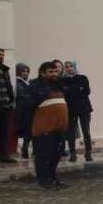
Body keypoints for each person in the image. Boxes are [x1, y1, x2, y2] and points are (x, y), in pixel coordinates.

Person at [23, 61, 70, 190]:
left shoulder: (59, 84)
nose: (54, 74)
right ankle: (43, 181)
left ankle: (53, 178)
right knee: (43, 155)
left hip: (59, 127)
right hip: (43, 127)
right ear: (42, 73)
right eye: (50, 72)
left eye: (55, 71)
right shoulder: (35, 85)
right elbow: (27, 105)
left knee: (56, 154)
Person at [60, 61, 93, 163]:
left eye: (71, 66)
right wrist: (77, 89)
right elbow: (65, 93)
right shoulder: (63, 80)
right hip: (71, 109)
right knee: (71, 132)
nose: (69, 68)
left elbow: (87, 91)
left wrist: (72, 90)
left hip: (84, 108)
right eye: (66, 67)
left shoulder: (82, 78)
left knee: (86, 130)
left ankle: (88, 152)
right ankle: (72, 153)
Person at [0, 48, 17, 163]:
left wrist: (11, 100)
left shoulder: (5, 69)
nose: (1, 56)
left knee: (5, 132)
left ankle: (4, 155)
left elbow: (9, 85)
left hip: (6, 105)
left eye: (2, 55)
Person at [14, 63, 32, 159]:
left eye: (27, 71)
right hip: (21, 110)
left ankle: (25, 148)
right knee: (21, 130)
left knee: (28, 130)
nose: (25, 73)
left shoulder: (29, 82)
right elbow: (22, 95)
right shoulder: (17, 83)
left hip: (29, 110)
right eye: (23, 71)